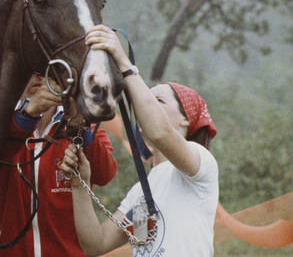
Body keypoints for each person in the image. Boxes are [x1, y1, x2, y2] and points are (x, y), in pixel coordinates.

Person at [60, 24, 219, 256]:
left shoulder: (200, 164)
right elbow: (96, 244)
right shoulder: (140, 191)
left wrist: (124, 64)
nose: (145, 110)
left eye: (159, 102)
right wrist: (79, 184)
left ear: (186, 120)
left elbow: (160, 133)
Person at [0, 74, 117, 256]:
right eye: (30, 68)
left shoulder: (82, 124)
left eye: (45, 67)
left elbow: (105, 173)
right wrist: (28, 114)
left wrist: (79, 125)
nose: (38, 74)